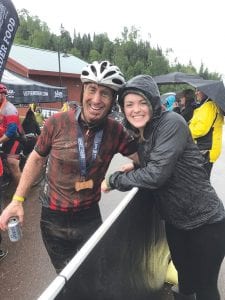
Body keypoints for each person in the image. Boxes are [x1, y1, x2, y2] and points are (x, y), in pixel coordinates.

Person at [0, 61, 138, 274]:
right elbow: (36, 159)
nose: (96, 99)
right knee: (66, 278)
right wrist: (17, 200)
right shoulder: (57, 122)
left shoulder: (116, 131)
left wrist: (132, 166)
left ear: (113, 101)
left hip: (89, 216)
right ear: (83, 91)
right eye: (92, 89)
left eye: (105, 93)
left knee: (93, 274)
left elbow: (145, 158)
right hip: (53, 218)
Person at [101, 75, 225, 300]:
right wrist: (136, 163)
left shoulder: (171, 122)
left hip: (207, 223)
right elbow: (154, 158)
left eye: (141, 102)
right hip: (176, 223)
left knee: (206, 288)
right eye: (129, 104)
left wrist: (114, 180)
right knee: (186, 280)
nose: (135, 110)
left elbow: (156, 175)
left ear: (153, 102)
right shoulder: (144, 130)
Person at [189, 89, 224, 177]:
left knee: (200, 181)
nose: (196, 93)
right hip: (206, 148)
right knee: (201, 181)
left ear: (206, 92)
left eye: (198, 91)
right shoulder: (208, 105)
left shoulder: (209, 106)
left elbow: (200, 129)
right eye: (196, 90)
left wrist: (186, 131)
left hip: (205, 150)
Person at [0, 84, 23, 184]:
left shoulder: (9, 109)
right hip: (5, 139)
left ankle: (21, 191)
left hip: (15, 139)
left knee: (12, 163)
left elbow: (11, 130)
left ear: (2, 95)